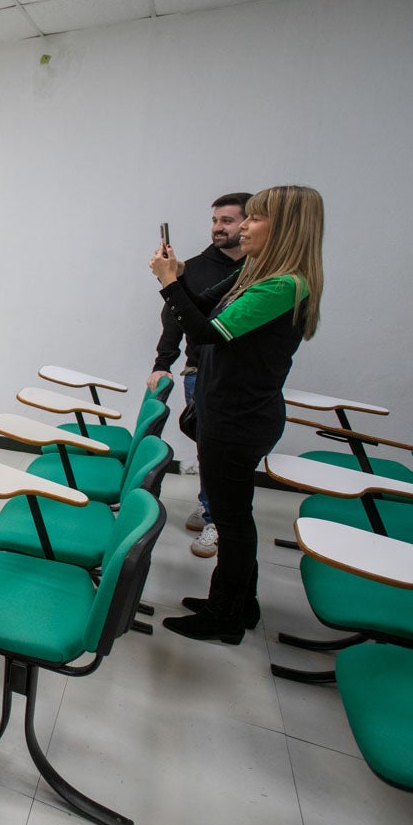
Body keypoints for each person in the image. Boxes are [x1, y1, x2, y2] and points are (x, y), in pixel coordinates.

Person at [148, 186, 324, 644]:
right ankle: (239, 604)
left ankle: (225, 617)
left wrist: (169, 283)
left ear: (284, 227)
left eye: (254, 219)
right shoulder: (255, 271)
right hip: (225, 408)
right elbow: (199, 308)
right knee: (233, 516)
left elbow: (205, 333)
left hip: (239, 417)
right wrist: (176, 278)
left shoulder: (285, 285)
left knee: (231, 520)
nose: (242, 226)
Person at [147, 192, 249, 558]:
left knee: (222, 453)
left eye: (228, 221)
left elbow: (214, 328)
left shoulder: (259, 272)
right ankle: (211, 509)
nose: (218, 228)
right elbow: (179, 318)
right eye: (215, 221)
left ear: (248, 224)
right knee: (208, 448)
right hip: (199, 372)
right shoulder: (197, 268)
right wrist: (163, 362)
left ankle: (216, 517)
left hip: (236, 379)